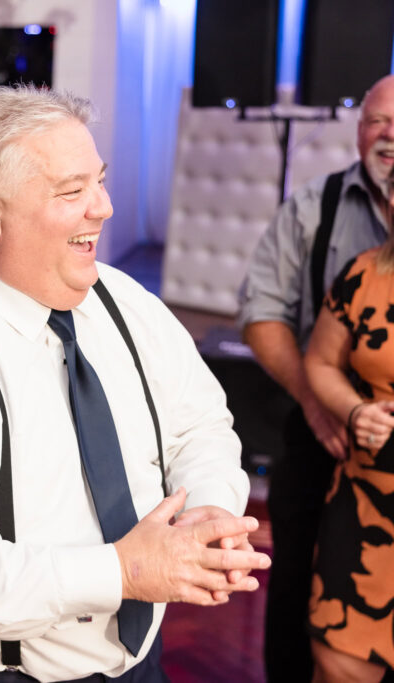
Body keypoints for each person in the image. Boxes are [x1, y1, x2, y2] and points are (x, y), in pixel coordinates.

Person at [0, 84, 268, 682]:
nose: (104, 207)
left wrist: (206, 509)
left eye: (100, 179)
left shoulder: (123, 300)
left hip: (136, 660)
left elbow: (199, 424)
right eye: (72, 191)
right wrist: (122, 572)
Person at [238, 73, 394, 682]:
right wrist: (317, 400)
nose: (390, 136)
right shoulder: (314, 206)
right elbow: (260, 311)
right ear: (359, 132)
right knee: (305, 601)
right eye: (379, 121)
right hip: (321, 433)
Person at [302, 216, 394, 682]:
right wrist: (356, 411)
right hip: (364, 505)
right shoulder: (363, 274)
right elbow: (320, 361)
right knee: (340, 665)